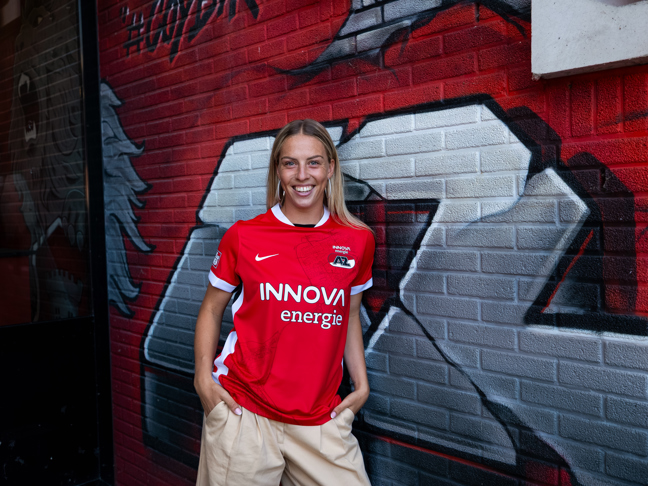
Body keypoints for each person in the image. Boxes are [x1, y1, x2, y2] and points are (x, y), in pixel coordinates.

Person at [193, 119, 375, 486]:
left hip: (320, 419)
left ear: (330, 169)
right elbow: (211, 308)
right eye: (290, 163)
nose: (302, 175)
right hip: (245, 414)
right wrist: (202, 380)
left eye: (313, 162)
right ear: (278, 170)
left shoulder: (357, 240)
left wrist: (361, 385)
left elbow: (350, 315)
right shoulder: (244, 236)